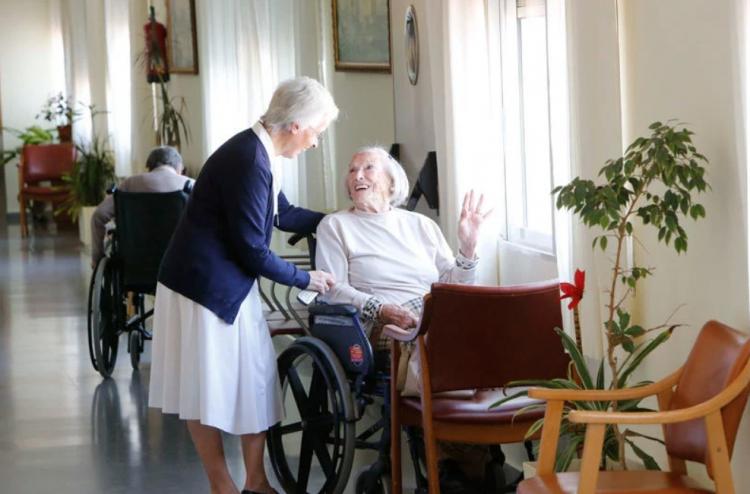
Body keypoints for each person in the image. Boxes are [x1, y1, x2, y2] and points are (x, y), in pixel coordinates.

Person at [148, 77, 338, 494]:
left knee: (255, 380)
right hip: (200, 287)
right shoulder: (250, 160)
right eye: (317, 133)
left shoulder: (262, 152)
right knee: (202, 387)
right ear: (295, 125)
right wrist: (306, 278)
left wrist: (339, 221)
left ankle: (256, 480)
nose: (315, 143)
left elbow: (283, 214)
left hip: (228, 280)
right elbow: (253, 251)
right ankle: (223, 483)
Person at [314, 146, 492, 492]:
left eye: (368, 168)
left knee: (473, 333)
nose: (357, 176)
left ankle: (467, 453)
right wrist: (379, 307)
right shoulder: (336, 226)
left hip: (431, 312)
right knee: (434, 344)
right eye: (352, 170)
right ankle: (455, 460)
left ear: (391, 180)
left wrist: (468, 250)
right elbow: (332, 289)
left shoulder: (420, 225)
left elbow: (454, 285)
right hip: (377, 320)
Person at [90, 146, 192, 266]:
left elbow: (98, 216)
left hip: (134, 261)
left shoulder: (129, 184)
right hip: (179, 260)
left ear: (149, 166)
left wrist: (97, 258)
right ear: (179, 167)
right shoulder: (191, 185)